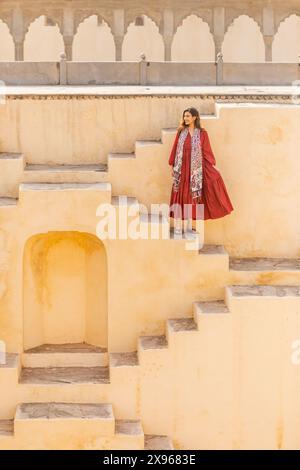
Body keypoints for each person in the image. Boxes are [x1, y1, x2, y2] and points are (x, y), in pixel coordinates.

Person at [168, 107, 234, 236]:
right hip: (181, 169)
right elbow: (175, 149)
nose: (185, 118)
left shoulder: (202, 134)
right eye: (184, 116)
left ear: (194, 117)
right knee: (179, 196)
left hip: (195, 171)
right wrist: (172, 165)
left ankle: (187, 227)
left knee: (190, 197)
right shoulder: (181, 132)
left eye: (188, 116)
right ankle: (177, 227)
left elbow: (206, 151)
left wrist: (212, 166)